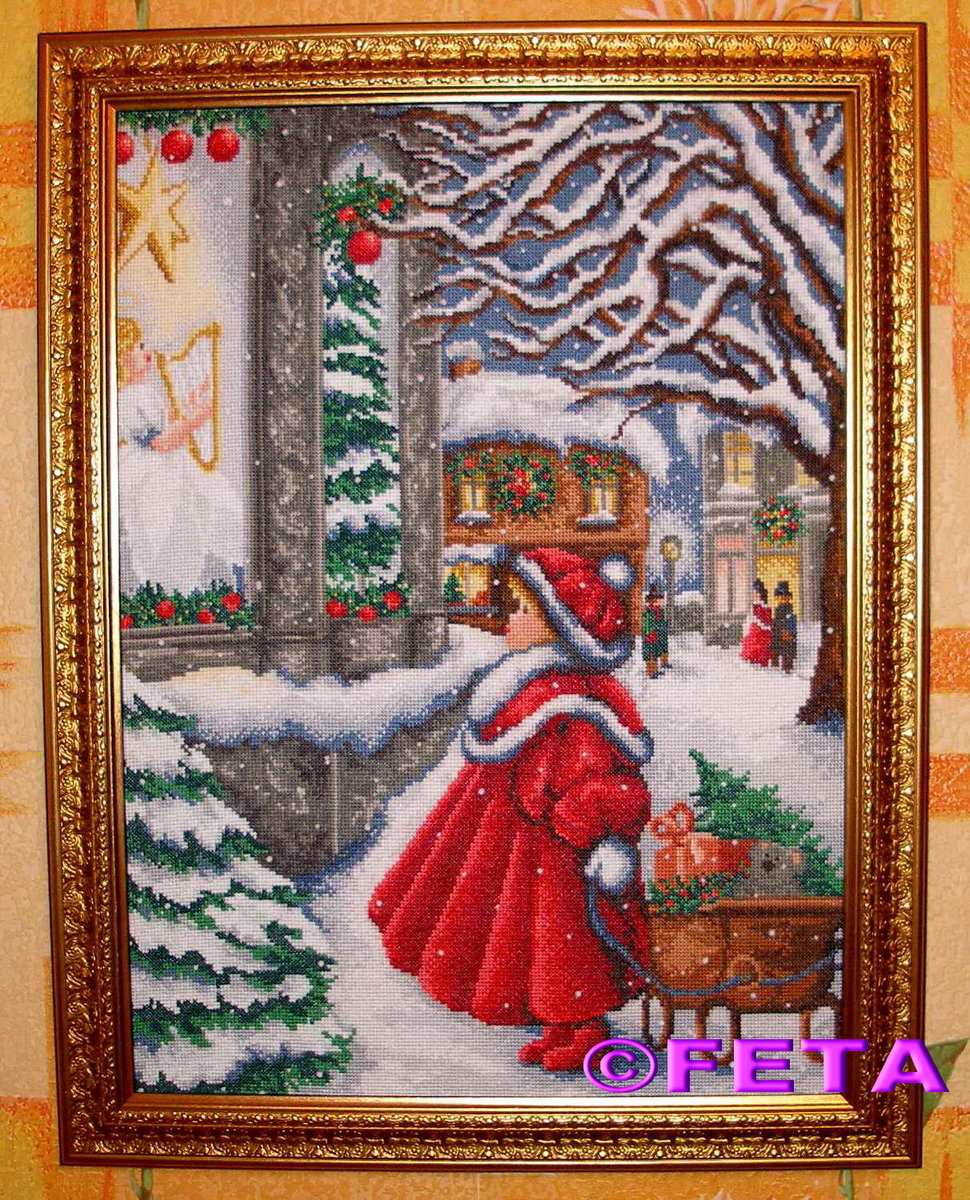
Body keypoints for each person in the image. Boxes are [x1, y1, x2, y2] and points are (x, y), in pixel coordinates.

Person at [369, 548, 654, 1072]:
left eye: (524, 609)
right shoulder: (527, 688)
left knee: (565, 931)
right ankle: (556, 1020)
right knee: (522, 926)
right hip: (519, 836)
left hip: (561, 845)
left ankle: (584, 1026)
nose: (510, 620)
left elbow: (596, 777)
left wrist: (583, 817)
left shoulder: (574, 701)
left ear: (560, 627)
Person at [116, 316, 236, 594]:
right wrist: (202, 414)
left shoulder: (144, 391)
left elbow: (169, 419)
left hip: (167, 469)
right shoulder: (126, 398)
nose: (147, 352)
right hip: (151, 474)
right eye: (137, 347)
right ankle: (166, 589)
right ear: (121, 359)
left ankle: (183, 582)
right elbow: (163, 441)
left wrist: (199, 395)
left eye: (143, 345)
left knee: (204, 512)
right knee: (160, 526)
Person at [739, 579, 772, 667]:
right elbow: (751, 617)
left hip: (761, 631)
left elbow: (766, 620)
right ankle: (752, 659)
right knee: (750, 642)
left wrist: (760, 623)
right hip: (754, 629)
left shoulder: (764, 607)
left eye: (757, 593)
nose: (754, 595)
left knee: (758, 644)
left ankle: (759, 660)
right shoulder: (754, 605)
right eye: (753, 593)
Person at [770, 580, 798, 673]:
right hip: (777, 632)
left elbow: (791, 621)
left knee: (787, 650)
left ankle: (787, 668)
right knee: (775, 650)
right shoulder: (777, 609)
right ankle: (774, 667)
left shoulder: (789, 609)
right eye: (779, 597)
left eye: (784, 597)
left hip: (786, 632)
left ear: (789, 597)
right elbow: (776, 620)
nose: (782, 599)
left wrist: (789, 632)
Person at [642, 584, 669, 678]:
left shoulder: (658, 611)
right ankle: (651, 672)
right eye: (659, 600)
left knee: (655, 653)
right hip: (650, 637)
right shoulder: (649, 611)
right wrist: (649, 634)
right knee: (651, 654)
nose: (661, 602)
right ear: (652, 600)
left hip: (657, 635)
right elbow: (646, 624)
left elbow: (660, 622)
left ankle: (656, 669)